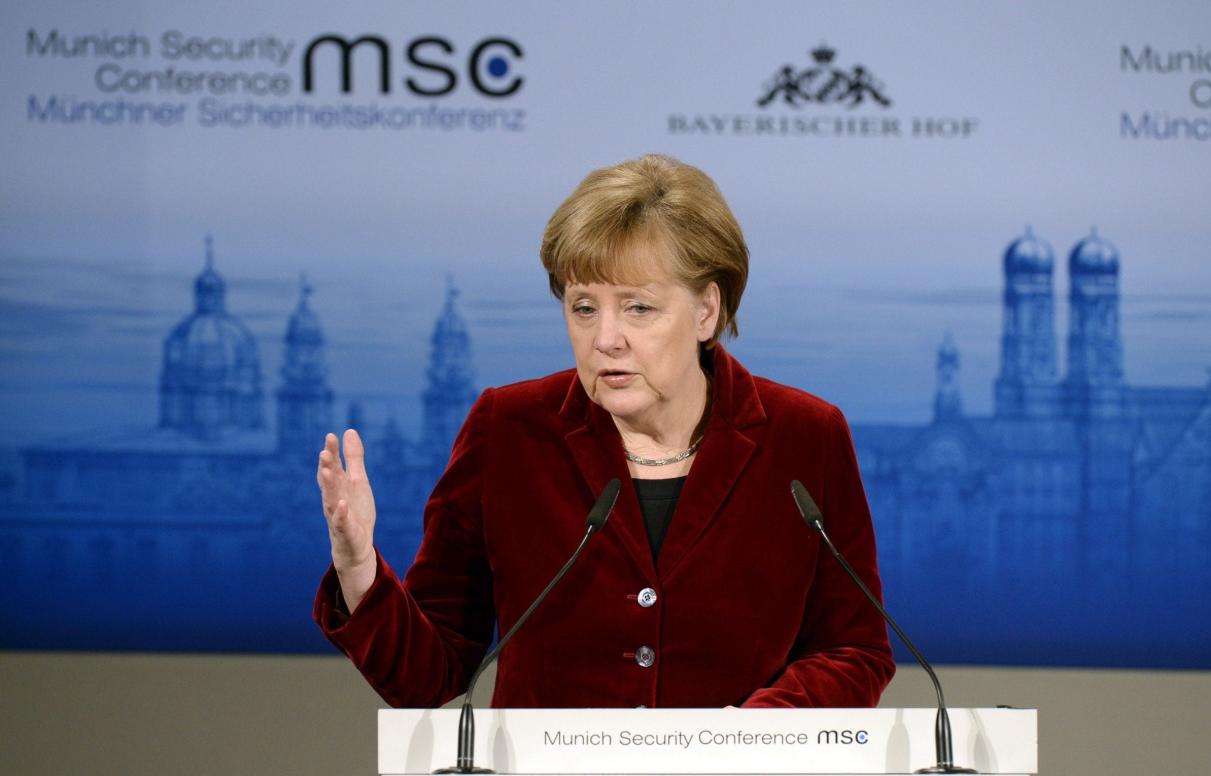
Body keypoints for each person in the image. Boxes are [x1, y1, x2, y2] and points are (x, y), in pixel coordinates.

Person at [314, 154, 894, 708]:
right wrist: (359, 566)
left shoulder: (804, 436)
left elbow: (855, 649)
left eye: (638, 308)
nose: (605, 339)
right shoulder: (509, 430)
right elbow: (428, 675)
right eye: (584, 307)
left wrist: (749, 737)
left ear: (706, 311)